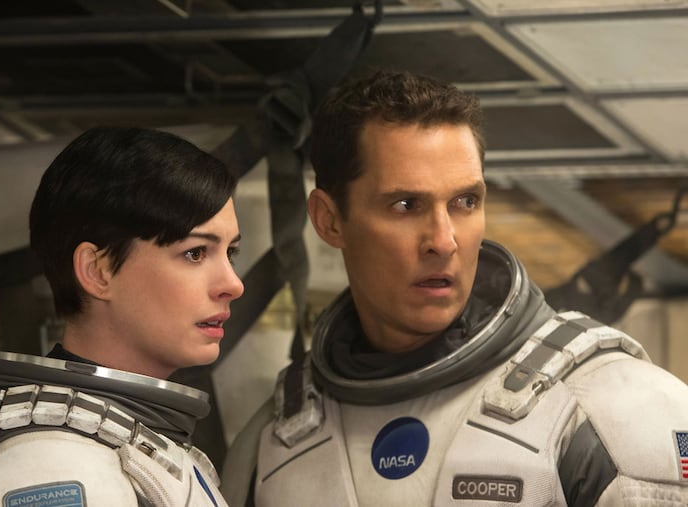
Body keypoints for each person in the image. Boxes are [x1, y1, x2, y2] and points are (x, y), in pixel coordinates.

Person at [220, 70, 688, 506]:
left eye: (465, 201)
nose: (443, 241)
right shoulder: (272, 447)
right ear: (328, 220)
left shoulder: (614, 411)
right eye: (406, 205)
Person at [0, 126, 244, 506]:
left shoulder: (112, 449)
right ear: (97, 272)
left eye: (231, 253)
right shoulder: (52, 468)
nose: (233, 284)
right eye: (195, 253)